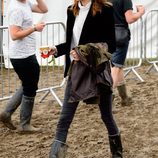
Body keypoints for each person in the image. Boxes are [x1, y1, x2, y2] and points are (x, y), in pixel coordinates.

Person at [49, 0, 123, 157]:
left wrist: (83, 52)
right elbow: (72, 43)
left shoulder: (106, 9)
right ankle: (54, 155)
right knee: (64, 118)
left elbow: (111, 44)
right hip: (76, 71)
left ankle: (117, 153)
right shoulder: (71, 10)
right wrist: (57, 49)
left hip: (97, 71)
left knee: (106, 115)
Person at [0, 0, 48, 133]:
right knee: (30, 86)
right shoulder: (16, 8)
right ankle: (24, 124)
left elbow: (44, 9)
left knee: (28, 84)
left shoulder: (25, 3)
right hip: (22, 55)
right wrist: (34, 28)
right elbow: (14, 35)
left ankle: (6, 113)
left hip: (26, 53)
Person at [110, 0, 145, 106]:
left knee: (117, 66)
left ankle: (125, 97)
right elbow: (129, 19)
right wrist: (140, 12)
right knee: (115, 67)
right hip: (120, 35)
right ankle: (107, 96)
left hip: (105, 34)